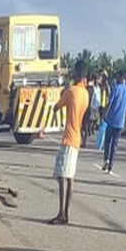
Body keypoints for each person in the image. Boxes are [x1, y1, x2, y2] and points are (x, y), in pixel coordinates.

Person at [49, 60, 89, 225]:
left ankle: (62, 213)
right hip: (77, 138)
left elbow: (56, 107)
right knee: (70, 177)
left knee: (60, 176)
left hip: (68, 138)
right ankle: (65, 212)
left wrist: (62, 94)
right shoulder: (85, 94)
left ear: (75, 74)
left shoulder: (71, 91)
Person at [102, 72, 126, 173]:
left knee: (107, 141)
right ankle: (111, 165)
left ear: (120, 78)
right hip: (120, 123)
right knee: (114, 144)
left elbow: (110, 103)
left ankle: (106, 159)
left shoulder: (115, 89)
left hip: (111, 120)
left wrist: (105, 114)